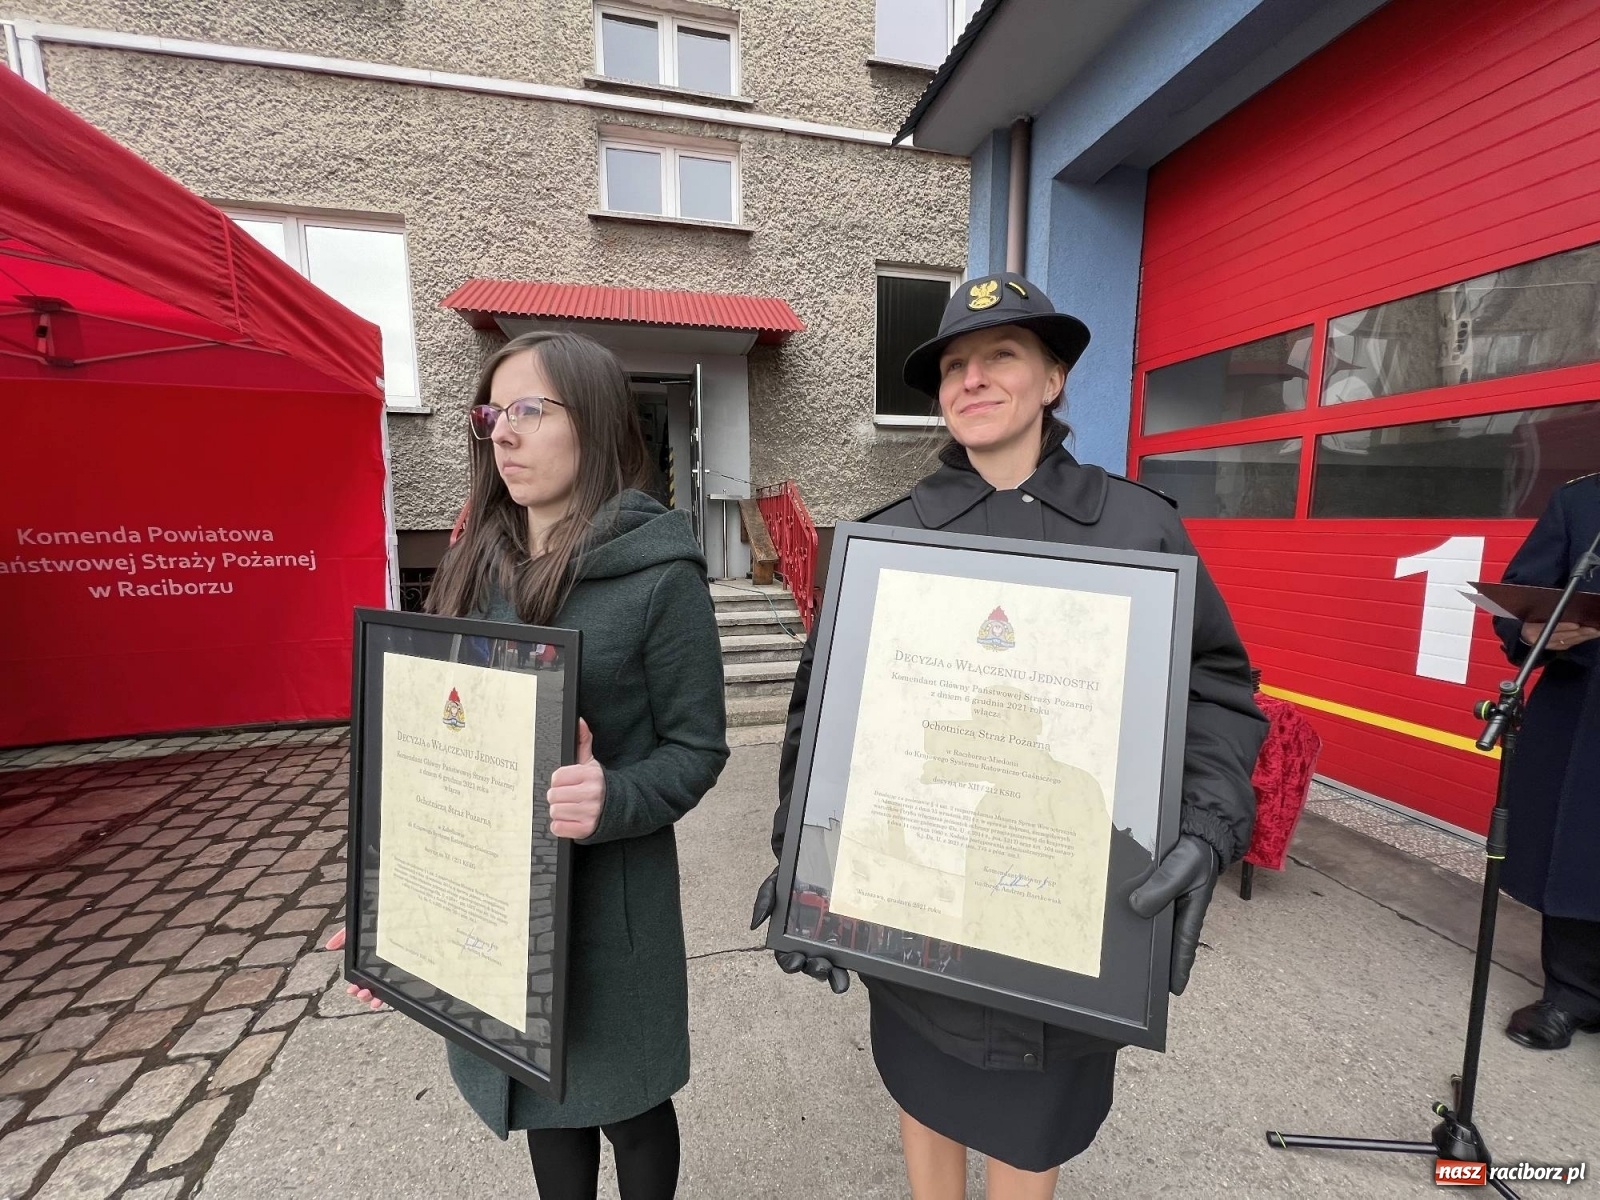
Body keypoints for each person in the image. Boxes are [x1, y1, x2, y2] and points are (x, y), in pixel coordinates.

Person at [751, 273, 1268, 1198]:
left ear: (1054, 380)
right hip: (926, 894)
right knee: (924, 1085)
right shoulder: (888, 541)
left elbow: (1217, 690)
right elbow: (823, 718)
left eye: (1001, 357)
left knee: (1036, 1131)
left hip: (1068, 900)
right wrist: (804, 861)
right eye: (954, 365)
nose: (972, 379)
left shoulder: (1140, 530)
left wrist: (1206, 825)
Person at [329, 330, 729, 1200]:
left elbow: (699, 749)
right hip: (496, 897)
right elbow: (433, 755)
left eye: (527, 411)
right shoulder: (476, 566)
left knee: (627, 1106)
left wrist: (613, 795)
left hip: (610, 910)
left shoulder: (661, 577)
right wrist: (389, 910)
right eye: (490, 414)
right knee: (541, 1103)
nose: (499, 434)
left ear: (588, 422)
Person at [1494, 472, 1600, 1051]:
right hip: (1587, 706)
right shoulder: (1583, 501)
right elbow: (1520, 598)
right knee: (1581, 850)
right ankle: (1574, 992)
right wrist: (1531, 629)